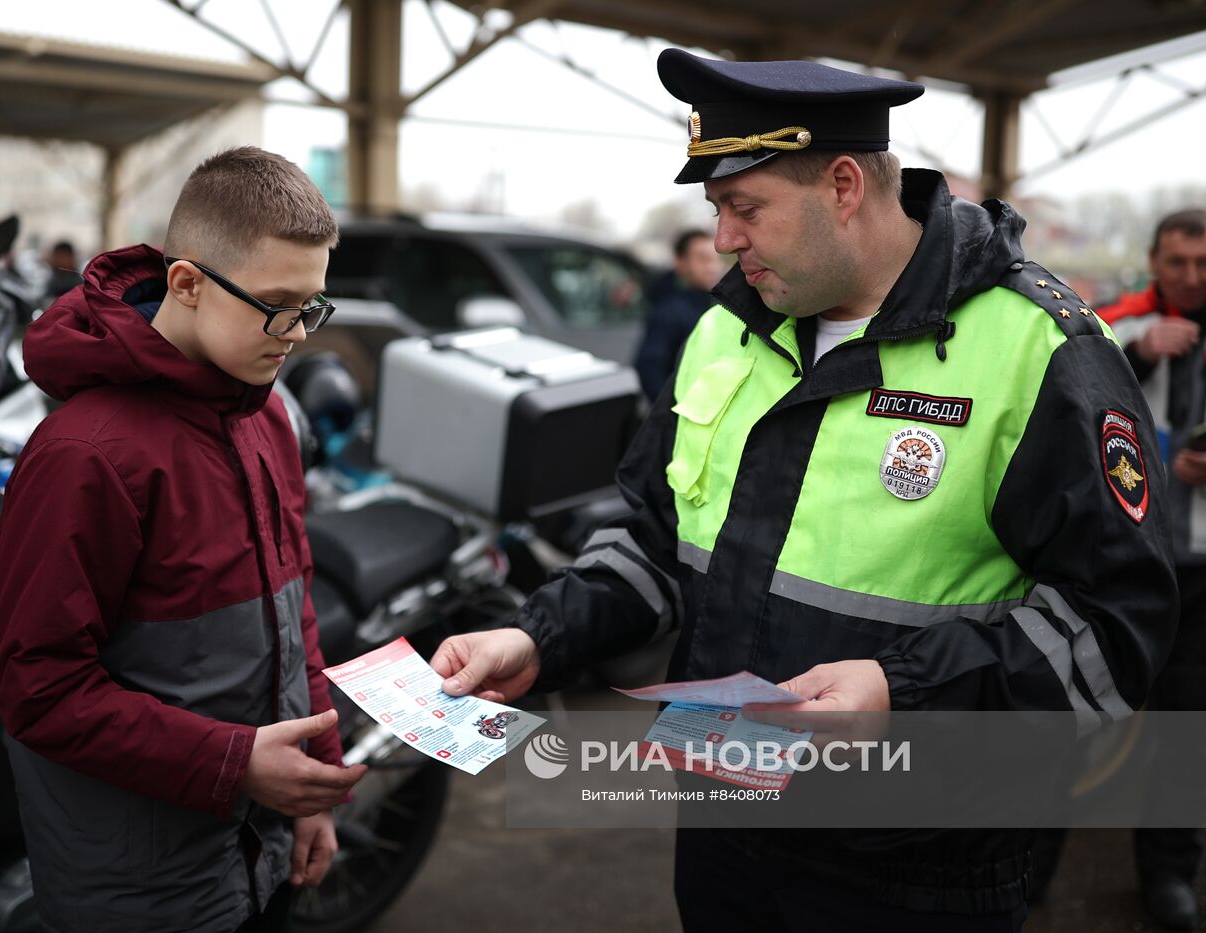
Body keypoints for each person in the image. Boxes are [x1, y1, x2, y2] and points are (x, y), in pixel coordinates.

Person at [431, 52, 1176, 931]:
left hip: (918, 864)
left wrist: (904, 694)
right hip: (721, 826)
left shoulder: (1039, 350)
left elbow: (1113, 632)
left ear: (846, 185)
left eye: (746, 209)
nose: (722, 240)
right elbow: (652, 538)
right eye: (716, 211)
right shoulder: (725, 330)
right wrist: (536, 633)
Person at [0, 147, 366, 933]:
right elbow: (39, 689)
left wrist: (314, 786)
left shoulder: (263, 414)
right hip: (139, 894)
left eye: (313, 305)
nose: (297, 334)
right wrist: (235, 763)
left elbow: (294, 619)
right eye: (276, 305)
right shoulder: (83, 455)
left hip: (258, 855)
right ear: (186, 283)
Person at [1098, 208, 1206, 930]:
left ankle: (1169, 872)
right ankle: (1027, 858)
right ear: (1152, 261)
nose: (1192, 278)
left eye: (1204, 265)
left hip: (1201, 566)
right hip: (1120, 562)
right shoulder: (1114, 324)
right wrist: (1138, 355)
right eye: (1178, 263)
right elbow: (1074, 409)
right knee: (1072, 706)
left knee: (1184, 724)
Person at [634, 229, 725, 400]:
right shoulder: (668, 312)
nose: (713, 267)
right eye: (702, 259)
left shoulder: (724, 305)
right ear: (680, 263)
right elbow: (650, 371)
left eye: (716, 258)